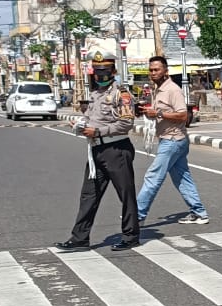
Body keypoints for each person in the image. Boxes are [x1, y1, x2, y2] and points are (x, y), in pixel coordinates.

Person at [54, 51, 140, 252]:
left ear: (113, 71)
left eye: (105, 71)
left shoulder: (122, 94)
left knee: (125, 194)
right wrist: (80, 125)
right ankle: (80, 238)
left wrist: (99, 131)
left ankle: (130, 236)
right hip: (96, 150)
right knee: (89, 195)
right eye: (97, 71)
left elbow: (126, 123)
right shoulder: (94, 94)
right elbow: (91, 119)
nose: (101, 75)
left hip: (116, 149)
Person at [135, 55, 210, 226]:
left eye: (157, 70)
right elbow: (162, 113)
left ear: (165, 71)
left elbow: (183, 115)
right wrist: (148, 113)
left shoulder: (172, 90)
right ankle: (199, 213)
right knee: (182, 177)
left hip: (173, 140)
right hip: (171, 139)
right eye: (151, 70)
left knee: (153, 176)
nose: (153, 73)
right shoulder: (158, 90)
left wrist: (158, 113)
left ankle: (137, 215)